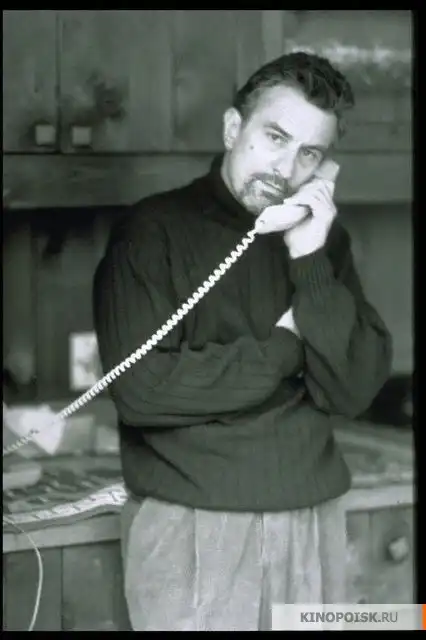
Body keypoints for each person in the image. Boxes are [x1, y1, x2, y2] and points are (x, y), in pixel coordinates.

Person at [92, 52, 392, 631]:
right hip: (194, 531)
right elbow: (143, 390)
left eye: (310, 153)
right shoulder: (152, 232)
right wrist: (286, 350)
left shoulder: (320, 241)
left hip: (314, 522)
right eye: (275, 137)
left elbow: (353, 387)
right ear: (234, 129)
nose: (286, 167)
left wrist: (309, 258)